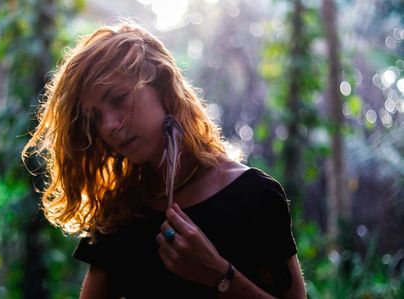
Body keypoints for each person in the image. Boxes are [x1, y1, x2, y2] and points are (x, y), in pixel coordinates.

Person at [22, 21, 306, 299]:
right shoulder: (119, 211)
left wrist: (219, 275)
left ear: (164, 87)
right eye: (95, 116)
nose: (108, 125)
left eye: (119, 99)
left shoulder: (253, 194)